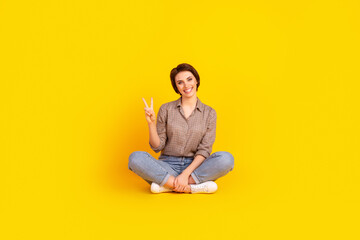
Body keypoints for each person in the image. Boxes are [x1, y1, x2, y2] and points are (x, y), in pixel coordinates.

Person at [128, 63, 234, 194]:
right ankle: (192, 188)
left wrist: (185, 174)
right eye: (180, 82)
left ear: (196, 80)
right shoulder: (166, 109)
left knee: (226, 159)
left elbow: (204, 150)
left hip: (196, 167)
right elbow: (157, 146)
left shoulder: (210, 113)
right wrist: (151, 123)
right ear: (176, 87)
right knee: (135, 158)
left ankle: (167, 185)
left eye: (189, 79)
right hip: (167, 165)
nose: (186, 85)